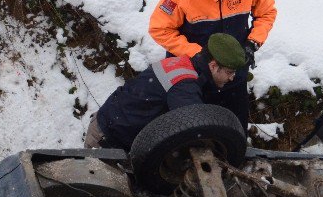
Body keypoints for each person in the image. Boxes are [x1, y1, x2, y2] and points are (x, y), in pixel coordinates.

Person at [148, 0, 276, 131]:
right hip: (192, 79)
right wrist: (197, 54)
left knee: (235, 130)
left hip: (233, 75)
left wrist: (253, 43)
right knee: (189, 132)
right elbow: (159, 28)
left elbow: (267, 13)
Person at [84, 34, 246, 151]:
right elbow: (195, 131)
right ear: (212, 65)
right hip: (106, 141)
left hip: (110, 124)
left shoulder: (182, 63)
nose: (232, 78)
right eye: (229, 72)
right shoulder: (185, 86)